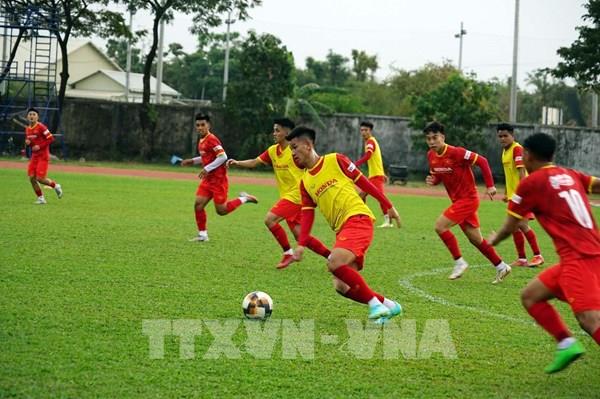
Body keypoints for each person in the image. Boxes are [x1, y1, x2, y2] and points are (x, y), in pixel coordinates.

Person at [490, 132, 600, 373]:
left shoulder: (531, 183)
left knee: (589, 320)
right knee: (531, 296)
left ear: (527, 155)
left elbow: (511, 226)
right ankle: (566, 343)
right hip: (587, 254)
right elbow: (596, 184)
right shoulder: (569, 174)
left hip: (579, 259)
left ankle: (568, 342)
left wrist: (493, 241)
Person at [287, 126, 402, 323]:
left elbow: (365, 183)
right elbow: (307, 217)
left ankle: (375, 304)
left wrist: (388, 205)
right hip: (343, 230)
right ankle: (391, 305)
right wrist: (300, 245)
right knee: (342, 287)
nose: (293, 154)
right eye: (290, 150)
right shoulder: (305, 182)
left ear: (307, 145)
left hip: (358, 218)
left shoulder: (335, 160)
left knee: (335, 263)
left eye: (295, 147)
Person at [227, 118, 331, 269]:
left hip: (298, 194)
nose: (274, 133)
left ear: (287, 132)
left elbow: (315, 163)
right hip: (288, 196)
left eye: (277, 130)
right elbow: (255, 162)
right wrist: (237, 162)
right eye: (274, 130)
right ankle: (331, 256)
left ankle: (288, 252)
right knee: (300, 235)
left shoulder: (296, 150)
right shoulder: (273, 151)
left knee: (270, 219)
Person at [423, 121, 511, 283]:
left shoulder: (457, 153)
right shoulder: (431, 156)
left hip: (468, 199)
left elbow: (482, 161)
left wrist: (490, 186)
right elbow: (439, 176)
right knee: (476, 240)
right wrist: (433, 180)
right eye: (428, 139)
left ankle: (459, 262)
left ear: (443, 136)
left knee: (440, 226)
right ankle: (501, 266)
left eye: (435, 138)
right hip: (458, 201)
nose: (432, 142)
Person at [182, 114, 257, 242]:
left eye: (202, 125)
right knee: (198, 205)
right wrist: (193, 161)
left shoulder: (212, 139)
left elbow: (223, 157)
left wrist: (207, 168)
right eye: (197, 125)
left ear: (208, 125)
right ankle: (203, 235)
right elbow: (208, 157)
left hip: (218, 181)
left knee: (221, 211)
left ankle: (244, 198)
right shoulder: (201, 140)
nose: (200, 127)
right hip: (208, 180)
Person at [497, 123, 544, 267]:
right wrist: (507, 193)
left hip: (522, 195)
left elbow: (522, 172)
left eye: (506, 135)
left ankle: (538, 255)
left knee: (522, 225)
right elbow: (509, 174)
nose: (503, 139)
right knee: (515, 227)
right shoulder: (505, 151)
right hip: (514, 195)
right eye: (500, 136)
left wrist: (523, 193)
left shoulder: (517, 149)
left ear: (512, 135)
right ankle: (522, 258)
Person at [354, 121, 392, 228]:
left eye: (366, 130)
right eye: (361, 130)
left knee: (380, 198)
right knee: (362, 196)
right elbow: (377, 159)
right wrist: (383, 173)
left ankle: (387, 221)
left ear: (370, 131)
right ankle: (365, 217)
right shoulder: (371, 141)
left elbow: (369, 155)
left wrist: (356, 164)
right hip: (374, 176)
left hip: (375, 176)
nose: (363, 132)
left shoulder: (370, 142)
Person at [25, 107, 63, 204]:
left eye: (34, 114)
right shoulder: (28, 129)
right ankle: (41, 198)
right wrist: (29, 144)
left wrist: (39, 146)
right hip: (34, 157)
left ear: (37, 117)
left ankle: (55, 186)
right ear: (27, 117)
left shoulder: (41, 127)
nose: (32, 116)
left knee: (40, 178)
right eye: (30, 114)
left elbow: (50, 138)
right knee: (32, 178)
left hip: (43, 156)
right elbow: (32, 144)